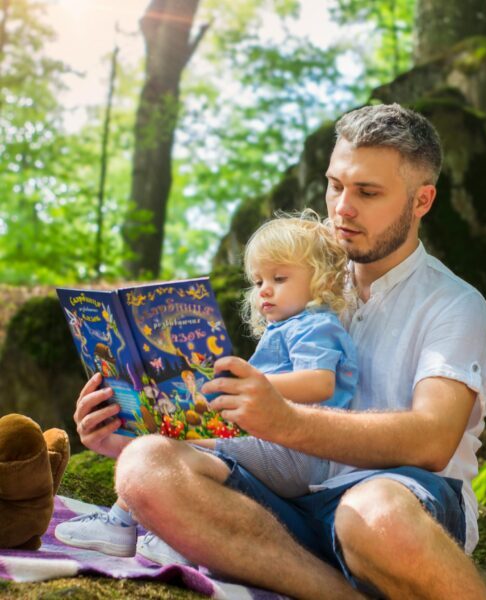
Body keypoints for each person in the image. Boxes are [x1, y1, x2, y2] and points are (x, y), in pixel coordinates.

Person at [74, 103, 486, 599]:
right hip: (286, 500)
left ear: (421, 200)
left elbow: (432, 439)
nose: (342, 207)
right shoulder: (302, 281)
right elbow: (252, 423)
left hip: (400, 503)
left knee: (374, 513)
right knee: (144, 465)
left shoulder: (454, 305)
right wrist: (130, 427)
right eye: (336, 185)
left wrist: (283, 419)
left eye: (367, 192)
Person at [57, 213, 358, 563]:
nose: (264, 290)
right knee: (169, 443)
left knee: (177, 449)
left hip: (295, 453)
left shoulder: (316, 325)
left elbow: (320, 382)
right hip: (273, 445)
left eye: (279, 277)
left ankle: (133, 526)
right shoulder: (289, 328)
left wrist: (249, 384)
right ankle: (140, 525)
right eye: (258, 280)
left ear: (324, 279)